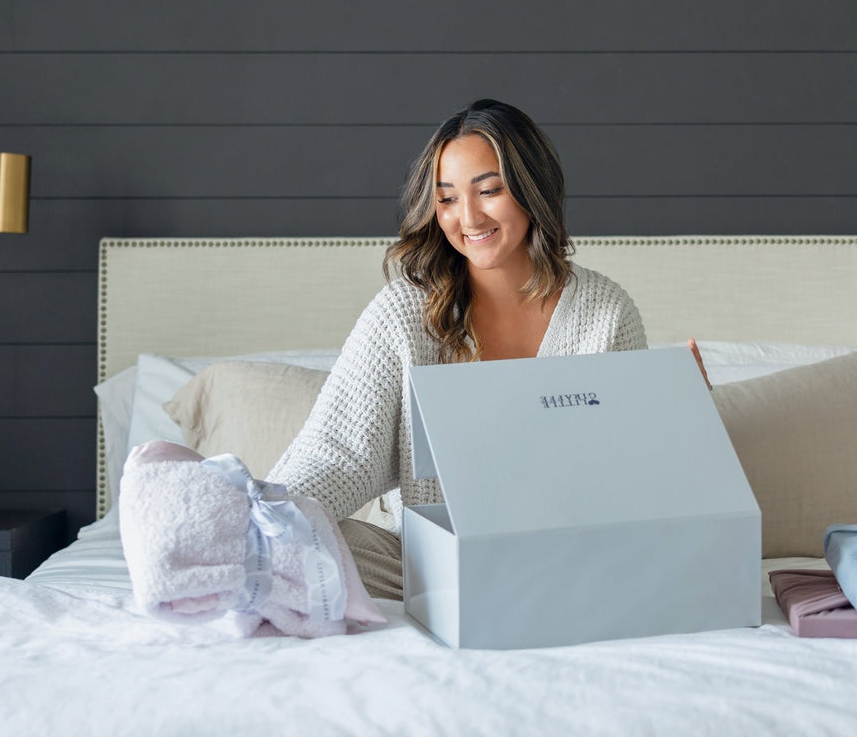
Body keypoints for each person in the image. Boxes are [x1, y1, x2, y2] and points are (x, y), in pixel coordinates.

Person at [272, 99, 696, 601]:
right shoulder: (402, 314)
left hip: (561, 553)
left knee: (669, 564)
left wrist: (682, 415)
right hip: (420, 561)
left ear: (532, 189)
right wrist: (256, 519)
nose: (467, 217)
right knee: (292, 548)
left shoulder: (605, 313)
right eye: (447, 198)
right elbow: (339, 453)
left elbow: (627, 476)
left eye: (489, 191)